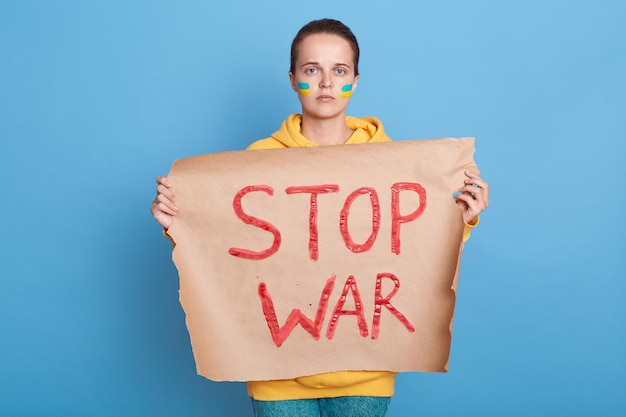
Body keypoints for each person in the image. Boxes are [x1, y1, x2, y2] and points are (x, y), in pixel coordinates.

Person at [151, 18, 489, 417]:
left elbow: (412, 249)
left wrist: (462, 219)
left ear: (356, 81)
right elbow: (227, 255)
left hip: (366, 370)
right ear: (293, 79)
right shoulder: (255, 163)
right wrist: (179, 227)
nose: (327, 83)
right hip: (276, 372)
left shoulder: (394, 163)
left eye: (339, 71)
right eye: (312, 70)